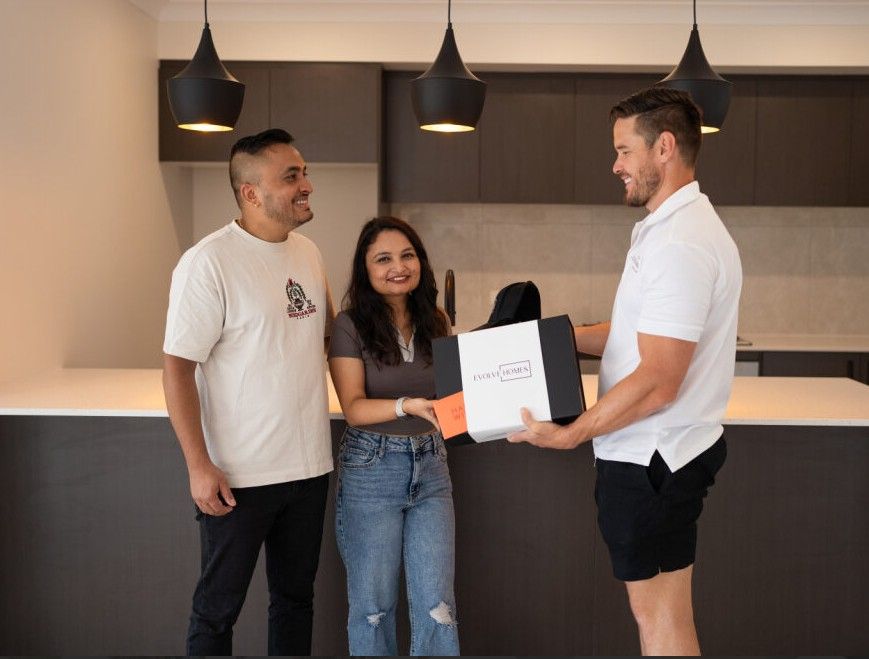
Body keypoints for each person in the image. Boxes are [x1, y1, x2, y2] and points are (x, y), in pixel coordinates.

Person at [509, 87, 742, 656]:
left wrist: (571, 433)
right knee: (660, 614)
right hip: (654, 456)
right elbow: (639, 339)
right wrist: (554, 339)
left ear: (663, 147)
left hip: (653, 458)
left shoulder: (681, 242)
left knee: (660, 619)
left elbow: (660, 379)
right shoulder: (667, 229)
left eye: (624, 151)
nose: (615, 165)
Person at [162, 128, 334, 656]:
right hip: (239, 476)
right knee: (217, 613)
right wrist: (198, 464)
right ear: (251, 192)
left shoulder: (307, 252)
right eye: (291, 176)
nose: (307, 184)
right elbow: (176, 367)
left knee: (294, 602)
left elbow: (330, 336)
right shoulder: (208, 262)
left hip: (308, 469)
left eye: (304, 172)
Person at [328, 216, 459, 656]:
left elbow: (451, 393)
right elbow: (354, 407)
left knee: (438, 605)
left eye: (407, 255)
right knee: (373, 608)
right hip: (372, 469)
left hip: (431, 466)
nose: (397, 266)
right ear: (365, 270)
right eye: (383, 259)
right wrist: (407, 405)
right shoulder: (350, 325)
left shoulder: (436, 321)